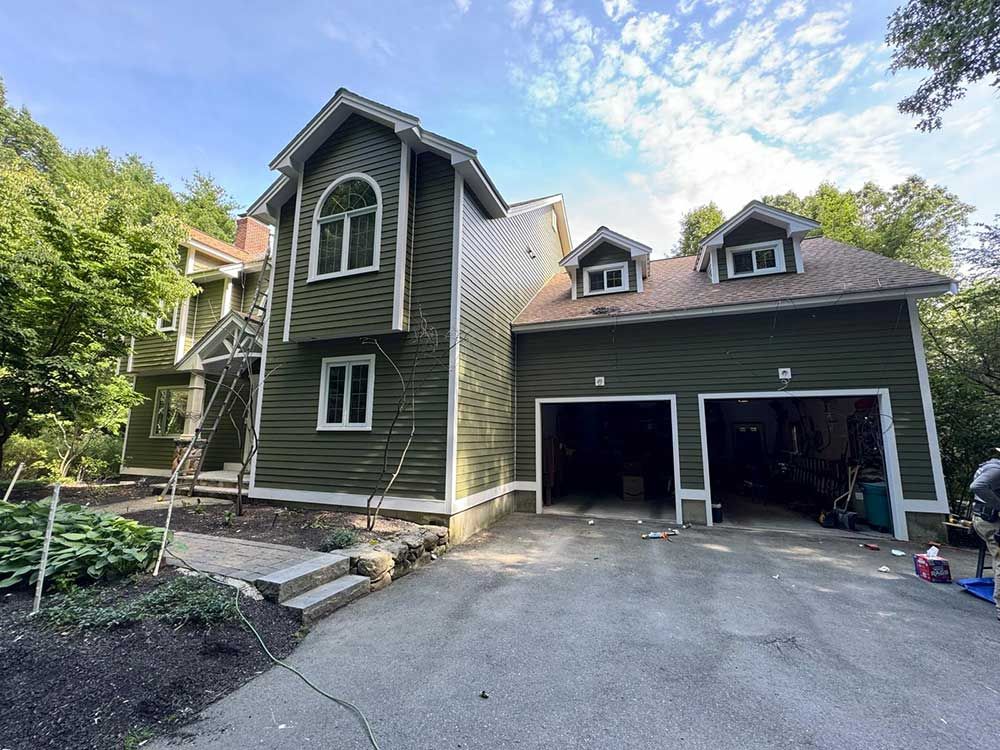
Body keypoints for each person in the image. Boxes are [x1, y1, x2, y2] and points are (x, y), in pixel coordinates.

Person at [970, 450, 1000, 621]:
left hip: (986, 518)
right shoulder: (997, 469)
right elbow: (977, 487)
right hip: (989, 520)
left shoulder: (990, 466)